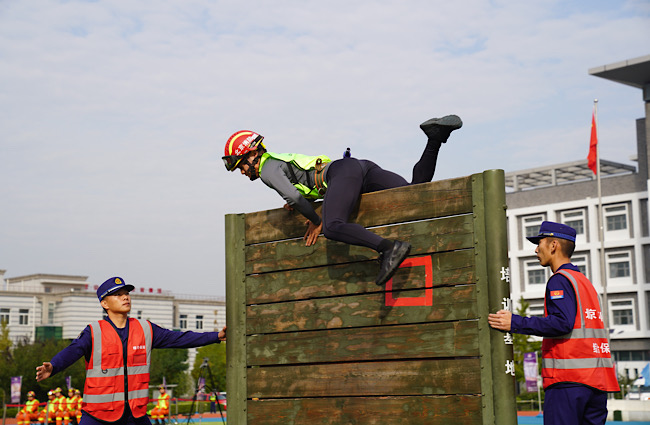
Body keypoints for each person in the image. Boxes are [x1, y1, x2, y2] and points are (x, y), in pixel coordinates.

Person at [222, 115, 462, 286]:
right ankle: (435, 137)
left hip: (342, 173)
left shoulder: (266, 169)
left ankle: (389, 248)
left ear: (253, 154)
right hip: (358, 168)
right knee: (413, 192)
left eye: (241, 164)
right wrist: (304, 200)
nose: (242, 171)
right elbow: (300, 190)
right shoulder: (277, 162)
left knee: (332, 226)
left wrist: (316, 220)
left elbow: (293, 197)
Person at [35, 276, 227, 425]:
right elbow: (73, 350)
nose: (125, 297)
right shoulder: (94, 331)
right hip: (97, 415)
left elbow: (179, 338)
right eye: (117, 294)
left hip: (135, 415)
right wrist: (54, 366)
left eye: (126, 293)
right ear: (104, 303)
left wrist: (216, 336)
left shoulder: (146, 329)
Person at [488, 221, 619, 425]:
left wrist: (515, 322)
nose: (536, 249)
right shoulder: (583, 282)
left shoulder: (559, 280)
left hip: (568, 382)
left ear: (553, 245)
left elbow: (562, 323)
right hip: (597, 383)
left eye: (539, 242)